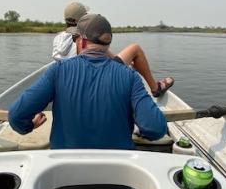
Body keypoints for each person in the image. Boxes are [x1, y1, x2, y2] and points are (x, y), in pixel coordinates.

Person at [9, 13, 167, 150]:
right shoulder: (131, 77)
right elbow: (156, 129)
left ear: (82, 42)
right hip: (116, 180)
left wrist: (29, 126)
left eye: (74, 38)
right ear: (107, 44)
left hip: (63, 177)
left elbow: (16, 116)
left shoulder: (57, 71)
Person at [53, 1, 174, 97]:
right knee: (135, 48)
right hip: (92, 79)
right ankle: (155, 88)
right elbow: (110, 58)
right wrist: (130, 64)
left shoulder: (58, 38)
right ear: (83, 18)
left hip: (68, 82)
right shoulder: (85, 37)